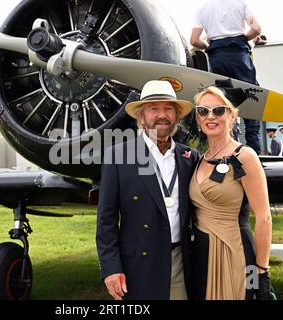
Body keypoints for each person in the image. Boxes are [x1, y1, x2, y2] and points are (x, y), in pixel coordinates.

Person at [96, 80, 199, 300]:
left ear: (177, 116)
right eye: (154, 109)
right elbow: (106, 219)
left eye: (168, 108)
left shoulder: (189, 157)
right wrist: (111, 268)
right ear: (141, 116)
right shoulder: (118, 156)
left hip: (180, 261)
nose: (162, 115)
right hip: (137, 266)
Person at [189, 86, 272, 300]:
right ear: (198, 119)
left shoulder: (245, 156)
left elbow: (264, 219)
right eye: (202, 111)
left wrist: (261, 274)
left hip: (234, 253)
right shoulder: (199, 159)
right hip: (200, 257)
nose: (210, 116)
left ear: (232, 115)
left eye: (218, 110)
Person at [190, 0, 263, 155]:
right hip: (239, 57)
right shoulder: (240, 4)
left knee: (223, 106)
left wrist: (208, 46)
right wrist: (244, 38)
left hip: (217, 59)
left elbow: (194, 40)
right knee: (252, 102)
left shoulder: (203, 8)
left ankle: (227, 153)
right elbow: (256, 29)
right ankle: (255, 157)